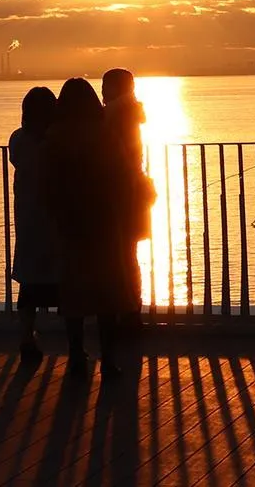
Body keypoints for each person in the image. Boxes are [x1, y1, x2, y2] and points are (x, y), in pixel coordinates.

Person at [44, 76, 140, 380]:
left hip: (70, 222)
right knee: (107, 293)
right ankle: (109, 359)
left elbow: (47, 185)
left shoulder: (54, 137)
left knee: (73, 293)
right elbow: (123, 175)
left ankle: (75, 354)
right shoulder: (105, 135)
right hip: (103, 220)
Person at [101, 69, 155, 333]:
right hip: (132, 193)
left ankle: (124, 312)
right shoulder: (130, 115)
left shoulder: (112, 116)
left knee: (118, 256)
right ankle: (131, 310)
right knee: (128, 255)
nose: (102, 91)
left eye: (106, 85)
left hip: (119, 195)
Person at [9, 86, 60, 366]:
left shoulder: (18, 140)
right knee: (64, 280)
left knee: (29, 284)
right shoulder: (56, 143)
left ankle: (26, 336)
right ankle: (76, 344)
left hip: (28, 220)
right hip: (55, 218)